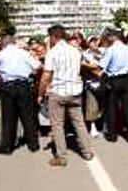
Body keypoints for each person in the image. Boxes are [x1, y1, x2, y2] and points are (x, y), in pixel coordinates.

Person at [37, 25, 94, 167]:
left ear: (53, 36)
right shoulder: (75, 51)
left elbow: (46, 76)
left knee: (57, 125)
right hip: (75, 91)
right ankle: (87, 152)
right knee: (79, 122)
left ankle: (62, 157)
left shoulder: (53, 52)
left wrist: (40, 93)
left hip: (58, 92)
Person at [0, 35, 41, 155]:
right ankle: (33, 145)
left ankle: (7, 147)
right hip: (24, 85)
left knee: (8, 117)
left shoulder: (0, 54)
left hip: (8, 86)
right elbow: (38, 66)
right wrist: (30, 74)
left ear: (3, 43)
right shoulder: (24, 53)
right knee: (27, 116)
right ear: (14, 43)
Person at [99, 27, 128, 143]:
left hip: (114, 80)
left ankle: (113, 135)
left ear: (114, 37)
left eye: (109, 36)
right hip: (127, 79)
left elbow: (102, 65)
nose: (107, 38)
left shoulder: (110, 50)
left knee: (112, 107)